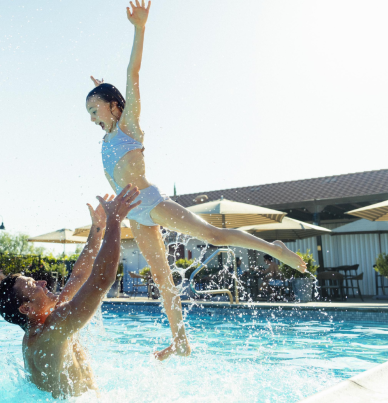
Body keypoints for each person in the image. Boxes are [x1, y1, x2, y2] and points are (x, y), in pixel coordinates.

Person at [85, 0, 307, 360]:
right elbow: (110, 101)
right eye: (88, 113)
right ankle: (181, 340)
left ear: (113, 106)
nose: (92, 117)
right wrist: (101, 90)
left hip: (151, 203)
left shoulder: (128, 126)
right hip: (134, 216)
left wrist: (140, 29)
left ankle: (275, 249)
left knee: (214, 236)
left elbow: (133, 74)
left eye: (95, 109)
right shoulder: (107, 137)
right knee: (162, 279)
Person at [0, 185, 141, 398]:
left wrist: (98, 228)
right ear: (27, 308)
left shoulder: (40, 328)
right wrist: (115, 222)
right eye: (35, 286)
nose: (43, 283)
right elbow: (102, 280)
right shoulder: (53, 328)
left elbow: (79, 277)